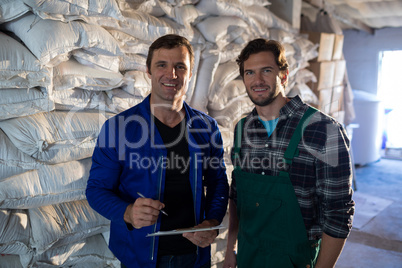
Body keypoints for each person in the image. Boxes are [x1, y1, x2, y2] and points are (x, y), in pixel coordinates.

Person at [86, 34, 229, 268]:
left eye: (180, 67)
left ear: (190, 73)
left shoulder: (207, 127)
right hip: (139, 258)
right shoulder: (119, 128)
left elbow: (218, 183)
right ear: (148, 71)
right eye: (162, 65)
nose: (171, 74)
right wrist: (128, 212)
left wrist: (211, 221)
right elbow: (96, 190)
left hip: (193, 257)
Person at [223, 39, 355, 268]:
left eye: (266, 71)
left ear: (283, 75)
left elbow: (338, 213)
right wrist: (230, 250)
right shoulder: (242, 129)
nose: (257, 80)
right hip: (248, 258)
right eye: (249, 73)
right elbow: (237, 197)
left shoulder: (323, 130)